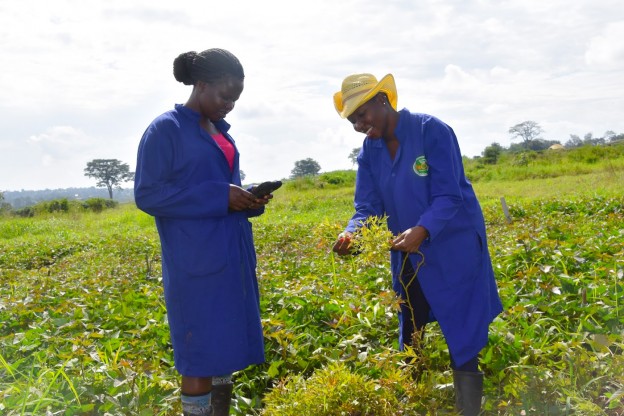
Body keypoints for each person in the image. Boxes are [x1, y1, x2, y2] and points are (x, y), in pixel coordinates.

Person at [332, 73, 503, 415]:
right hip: (408, 253)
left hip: (454, 248)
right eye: (352, 120)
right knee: (412, 328)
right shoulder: (370, 151)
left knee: (462, 326)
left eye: (362, 115)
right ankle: (414, 402)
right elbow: (367, 207)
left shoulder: (431, 131)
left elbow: (448, 193)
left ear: (382, 100)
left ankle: (469, 408)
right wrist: (352, 233)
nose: (359, 125)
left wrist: (423, 229)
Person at [134, 48, 272, 416]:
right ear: (201, 84)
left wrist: (247, 200)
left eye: (235, 99)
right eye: (224, 96)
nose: (229, 105)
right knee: (197, 354)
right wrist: (219, 196)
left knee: (224, 346)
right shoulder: (166, 129)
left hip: (230, 253)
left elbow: (222, 189)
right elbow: (148, 194)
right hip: (194, 260)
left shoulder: (218, 131)